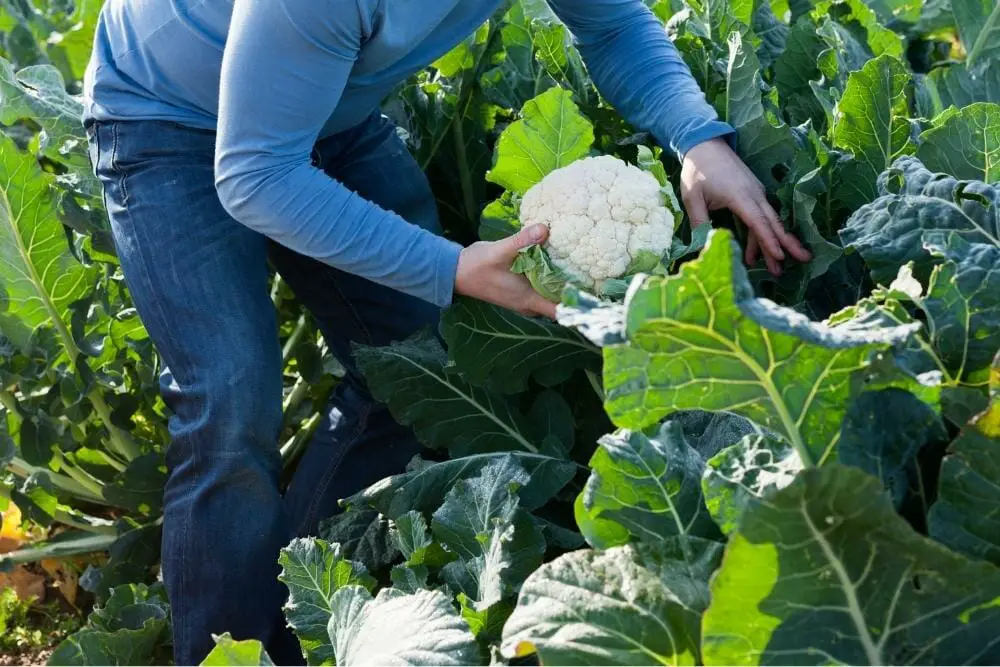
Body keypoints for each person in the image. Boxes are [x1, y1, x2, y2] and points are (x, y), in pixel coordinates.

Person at [82, 0, 811, 663]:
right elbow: (255, 175)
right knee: (230, 403)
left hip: (328, 108)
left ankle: (287, 626)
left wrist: (697, 138)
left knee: (413, 362)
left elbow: (613, 24)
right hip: (165, 118)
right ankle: (222, 653)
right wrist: (454, 266)